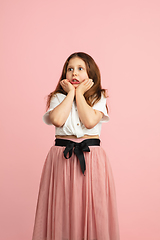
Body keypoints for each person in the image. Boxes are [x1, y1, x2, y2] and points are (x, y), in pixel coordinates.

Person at [32, 52, 120, 240]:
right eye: (70, 69)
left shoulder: (98, 97)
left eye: (80, 69)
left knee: (93, 208)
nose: (74, 73)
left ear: (91, 74)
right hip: (61, 157)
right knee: (62, 208)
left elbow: (89, 121)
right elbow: (57, 119)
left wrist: (79, 94)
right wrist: (70, 93)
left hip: (92, 158)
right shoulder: (58, 97)